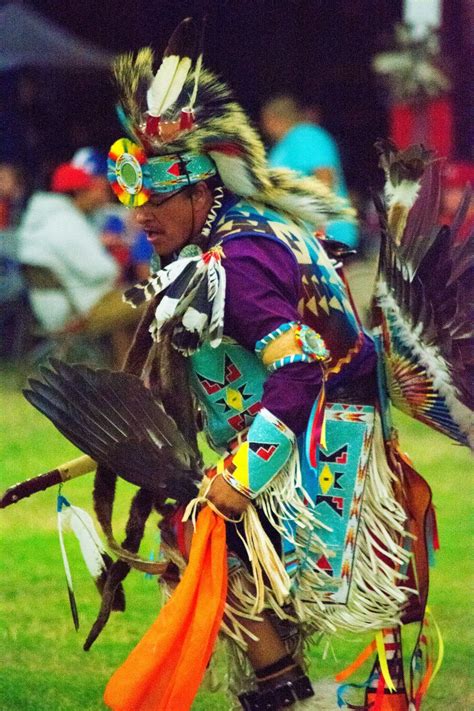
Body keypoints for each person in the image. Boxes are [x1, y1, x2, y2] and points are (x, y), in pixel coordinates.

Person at [15, 19, 472, 711]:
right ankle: (310, 689)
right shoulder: (229, 239)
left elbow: (296, 364)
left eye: (159, 199)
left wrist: (242, 472)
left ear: (203, 191)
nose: (142, 216)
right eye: (134, 199)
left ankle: (295, 695)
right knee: (219, 552)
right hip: (311, 423)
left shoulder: (240, 257)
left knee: (210, 539)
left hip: (319, 432)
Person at [17, 150, 143, 367]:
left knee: (129, 309)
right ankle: (143, 375)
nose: (94, 195)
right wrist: (107, 255)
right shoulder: (66, 222)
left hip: (54, 307)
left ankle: (126, 373)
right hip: (76, 312)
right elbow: (101, 271)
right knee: (154, 302)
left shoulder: (41, 218)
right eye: (89, 190)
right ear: (77, 192)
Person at [261, 94, 359, 250]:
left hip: (321, 237)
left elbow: (325, 177)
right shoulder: (287, 143)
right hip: (300, 238)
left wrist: (320, 226)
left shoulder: (305, 135)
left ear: (271, 119)